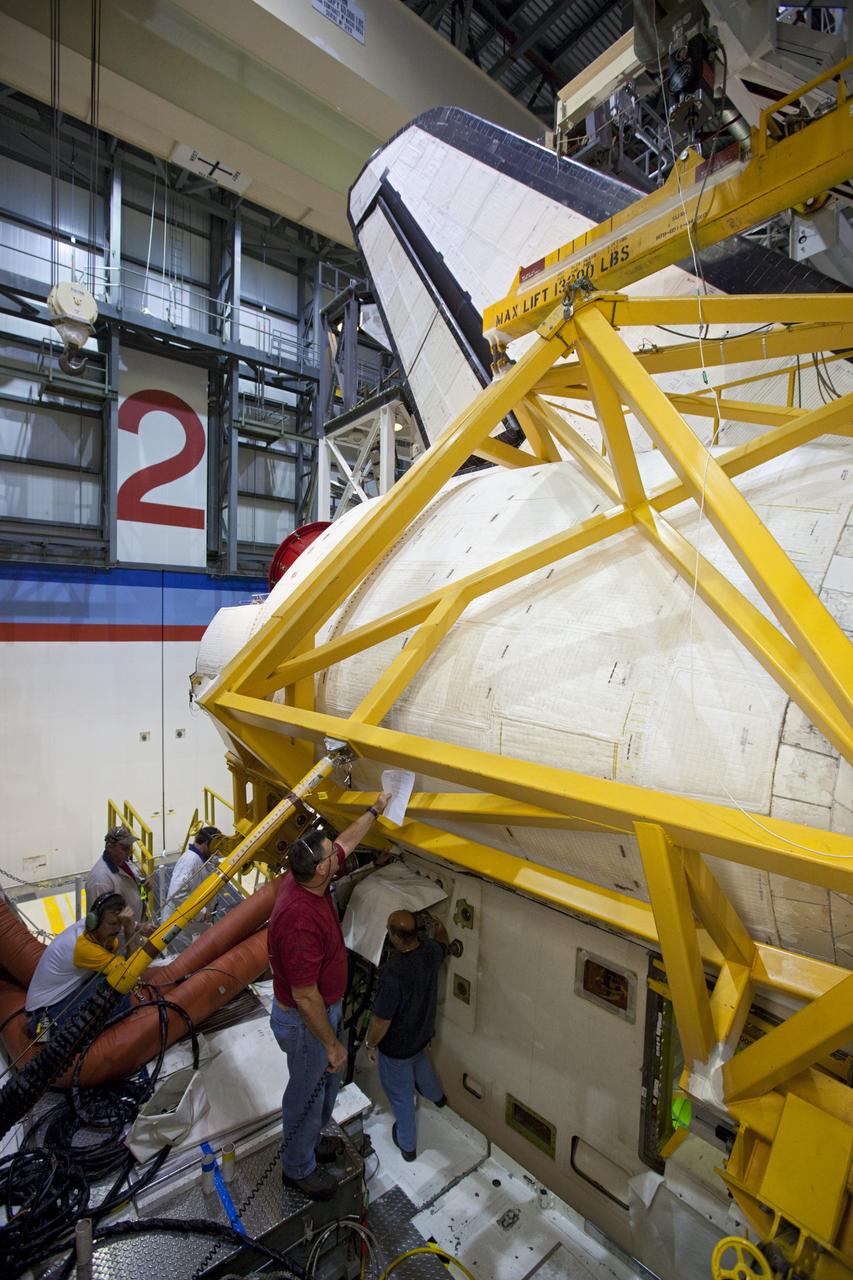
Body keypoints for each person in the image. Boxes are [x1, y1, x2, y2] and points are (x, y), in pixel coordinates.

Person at [268, 792, 391, 1201]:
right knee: (305, 1092)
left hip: (324, 1010)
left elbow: (346, 843)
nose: (338, 855)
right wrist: (332, 1043)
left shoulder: (304, 876)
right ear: (322, 870)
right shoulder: (300, 921)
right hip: (308, 1023)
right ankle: (297, 1169)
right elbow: (305, 997)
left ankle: (313, 1141)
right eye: (331, 856)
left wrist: (376, 808)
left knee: (323, 1087)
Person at [365, 910, 449, 1162]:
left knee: (401, 1098)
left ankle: (407, 1145)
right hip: (420, 1035)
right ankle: (438, 1098)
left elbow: (381, 1021)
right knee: (422, 1065)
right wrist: (439, 925)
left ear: (395, 937)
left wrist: (370, 1043)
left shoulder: (394, 973)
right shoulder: (430, 952)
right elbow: (444, 942)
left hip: (397, 1048)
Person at [25, 892, 129, 1034]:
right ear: (95, 921)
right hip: (43, 1018)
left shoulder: (95, 931)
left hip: (56, 1002)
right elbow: (128, 972)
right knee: (117, 989)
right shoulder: (83, 947)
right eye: (112, 924)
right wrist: (130, 929)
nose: (118, 929)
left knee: (115, 986)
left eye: (121, 923)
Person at [86, 824, 151, 952]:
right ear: (110, 847)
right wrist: (138, 927)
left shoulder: (123, 862)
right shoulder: (100, 880)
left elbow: (133, 889)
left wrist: (143, 889)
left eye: (130, 847)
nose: (130, 852)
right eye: (124, 848)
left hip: (131, 936)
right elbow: (103, 922)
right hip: (117, 945)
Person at [161, 826, 221, 952]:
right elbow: (177, 893)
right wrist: (202, 913)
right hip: (184, 928)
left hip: (194, 924)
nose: (217, 849)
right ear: (205, 843)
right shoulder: (190, 860)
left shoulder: (202, 858)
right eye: (215, 846)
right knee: (185, 963)